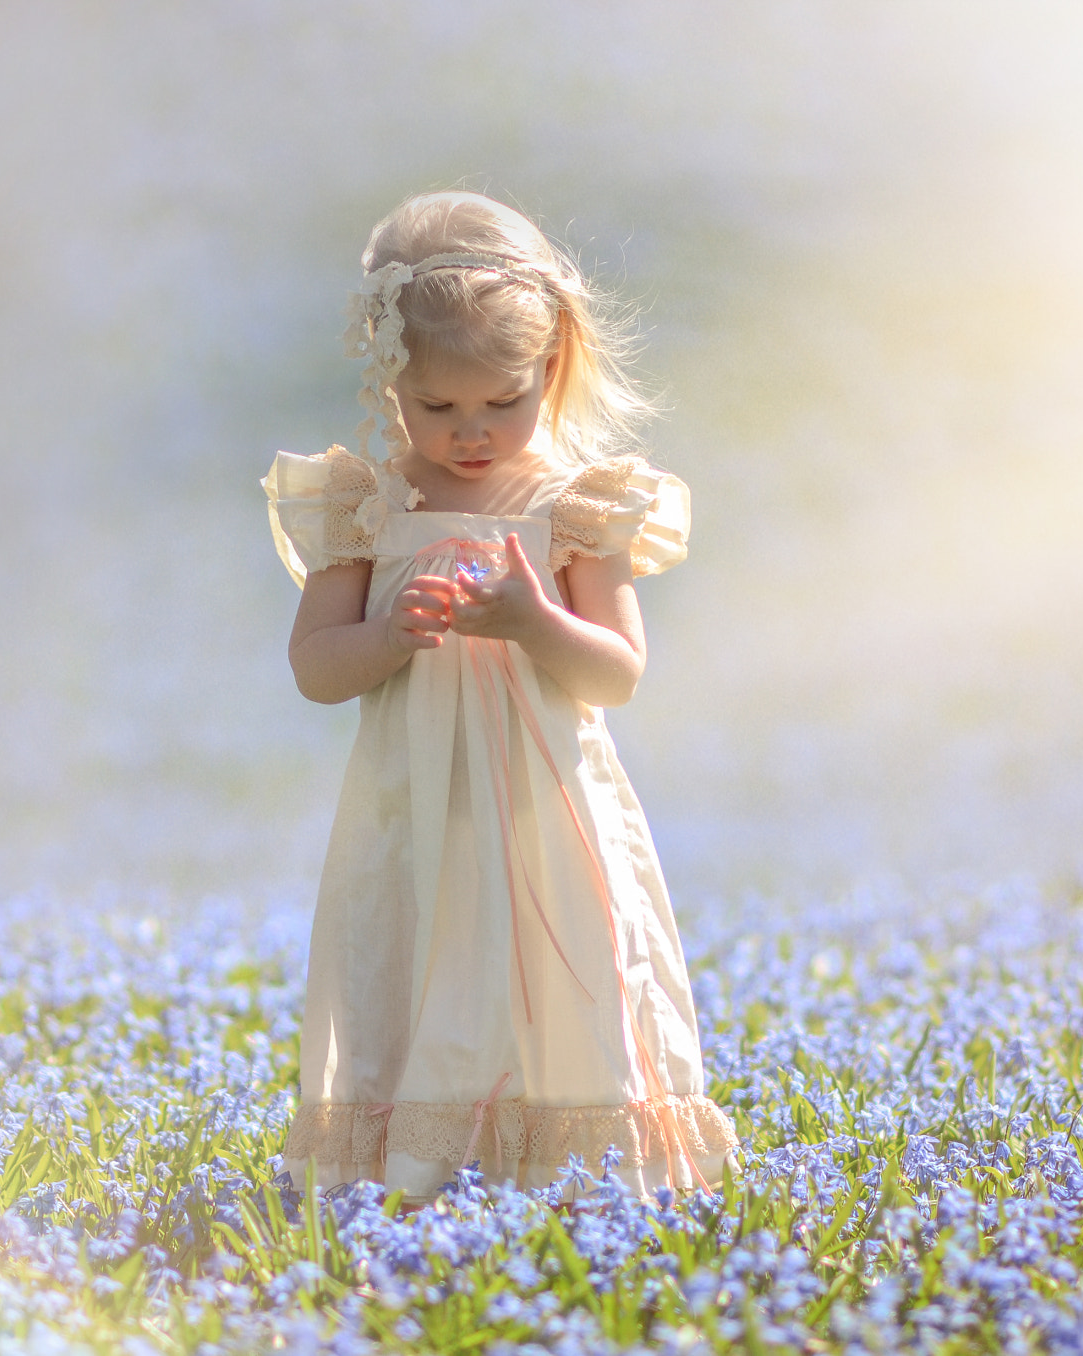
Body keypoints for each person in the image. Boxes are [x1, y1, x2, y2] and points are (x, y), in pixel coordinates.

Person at [262, 190, 737, 1199]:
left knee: (553, 984)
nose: (471, 433)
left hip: (543, 813)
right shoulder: (366, 504)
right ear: (388, 381)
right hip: (412, 812)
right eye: (437, 407)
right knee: (416, 965)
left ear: (550, 370)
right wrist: (388, 635)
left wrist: (534, 621)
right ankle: (418, 1174)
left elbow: (614, 670)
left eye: (502, 401)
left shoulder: (571, 507)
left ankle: (573, 1183)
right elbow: (314, 668)